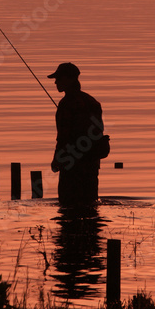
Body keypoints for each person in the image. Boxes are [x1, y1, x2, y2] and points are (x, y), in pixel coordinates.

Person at [48, 62, 108, 205]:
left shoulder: (66, 104)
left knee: (68, 204)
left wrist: (57, 159)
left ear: (69, 79)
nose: (56, 82)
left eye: (59, 78)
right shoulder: (93, 102)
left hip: (72, 164)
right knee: (90, 202)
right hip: (92, 162)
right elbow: (99, 130)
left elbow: (63, 136)